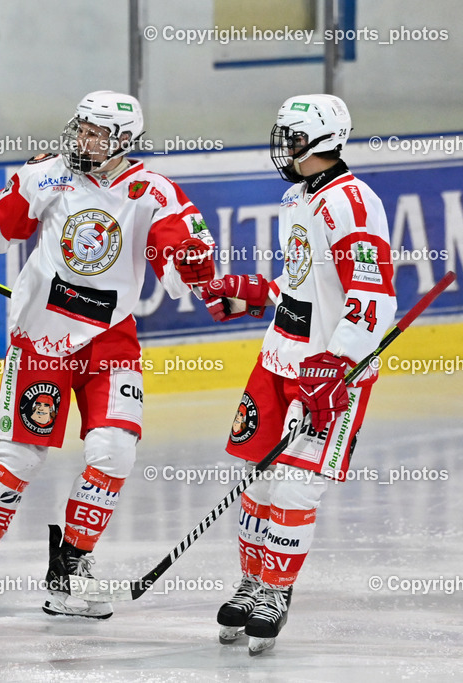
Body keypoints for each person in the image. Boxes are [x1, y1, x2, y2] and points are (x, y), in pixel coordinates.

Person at [0, 91, 218, 618]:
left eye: (96, 133)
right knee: (20, 457)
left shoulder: (152, 192)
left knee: (115, 452)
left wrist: (193, 261)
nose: (83, 140)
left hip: (110, 338)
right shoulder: (48, 175)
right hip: (41, 337)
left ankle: (71, 568)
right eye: (81, 129)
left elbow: (182, 272)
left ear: (123, 141)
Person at [204, 94, 396, 655]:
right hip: (278, 362)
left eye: (291, 138)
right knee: (256, 482)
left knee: (294, 485)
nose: (282, 148)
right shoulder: (298, 197)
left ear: (324, 143)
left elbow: (373, 294)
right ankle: (251, 580)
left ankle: (277, 591)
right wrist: (257, 294)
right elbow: (305, 284)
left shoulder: (353, 205)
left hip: (331, 374)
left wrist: (337, 366)